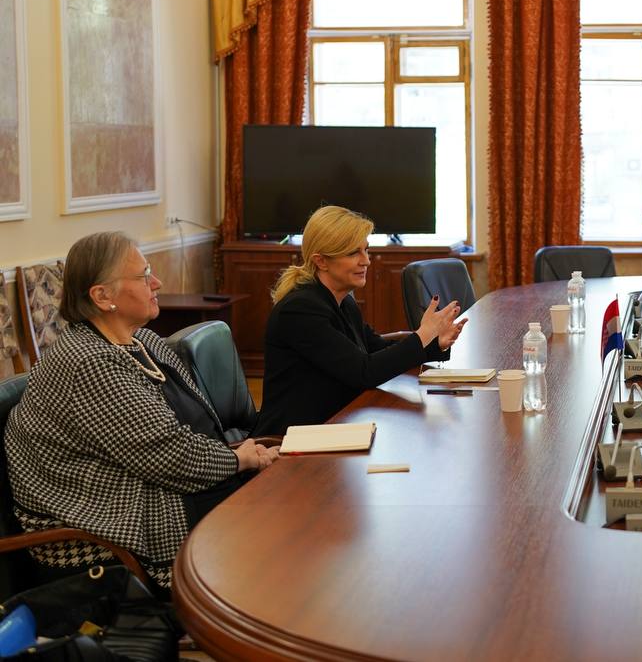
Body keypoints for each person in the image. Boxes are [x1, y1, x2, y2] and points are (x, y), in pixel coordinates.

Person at [5, 232, 279, 589]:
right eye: (143, 275)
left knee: (286, 499)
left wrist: (241, 457)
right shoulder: (88, 363)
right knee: (277, 528)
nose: (157, 282)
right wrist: (238, 460)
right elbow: (168, 455)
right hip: (117, 522)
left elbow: (191, 435)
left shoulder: (145, 341)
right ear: (102, 296)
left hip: (172, 485)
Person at [255, 206, 466, 436]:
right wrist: (422, 335)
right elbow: (364, 372)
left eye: (366, 250)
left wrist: (434, 342)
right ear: (321, 261)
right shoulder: (300, 310)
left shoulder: (343, 301)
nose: (366, 261)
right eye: (353, 253)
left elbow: (376, 348)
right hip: (293, 439)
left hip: (336, 425)